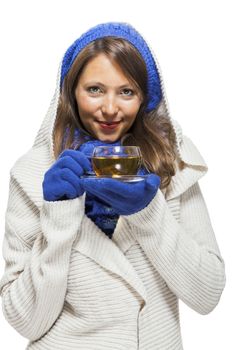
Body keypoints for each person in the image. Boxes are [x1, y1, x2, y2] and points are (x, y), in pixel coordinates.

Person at [0, 22, 226, 350]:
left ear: (146, 98)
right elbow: (25, 320)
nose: (109, 108)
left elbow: (208, 295)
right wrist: (60, 216)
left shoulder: (173, 164)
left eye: (126, 91)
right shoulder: (33, 174)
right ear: (71, 92)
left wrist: (148, 213)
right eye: (94, 89)